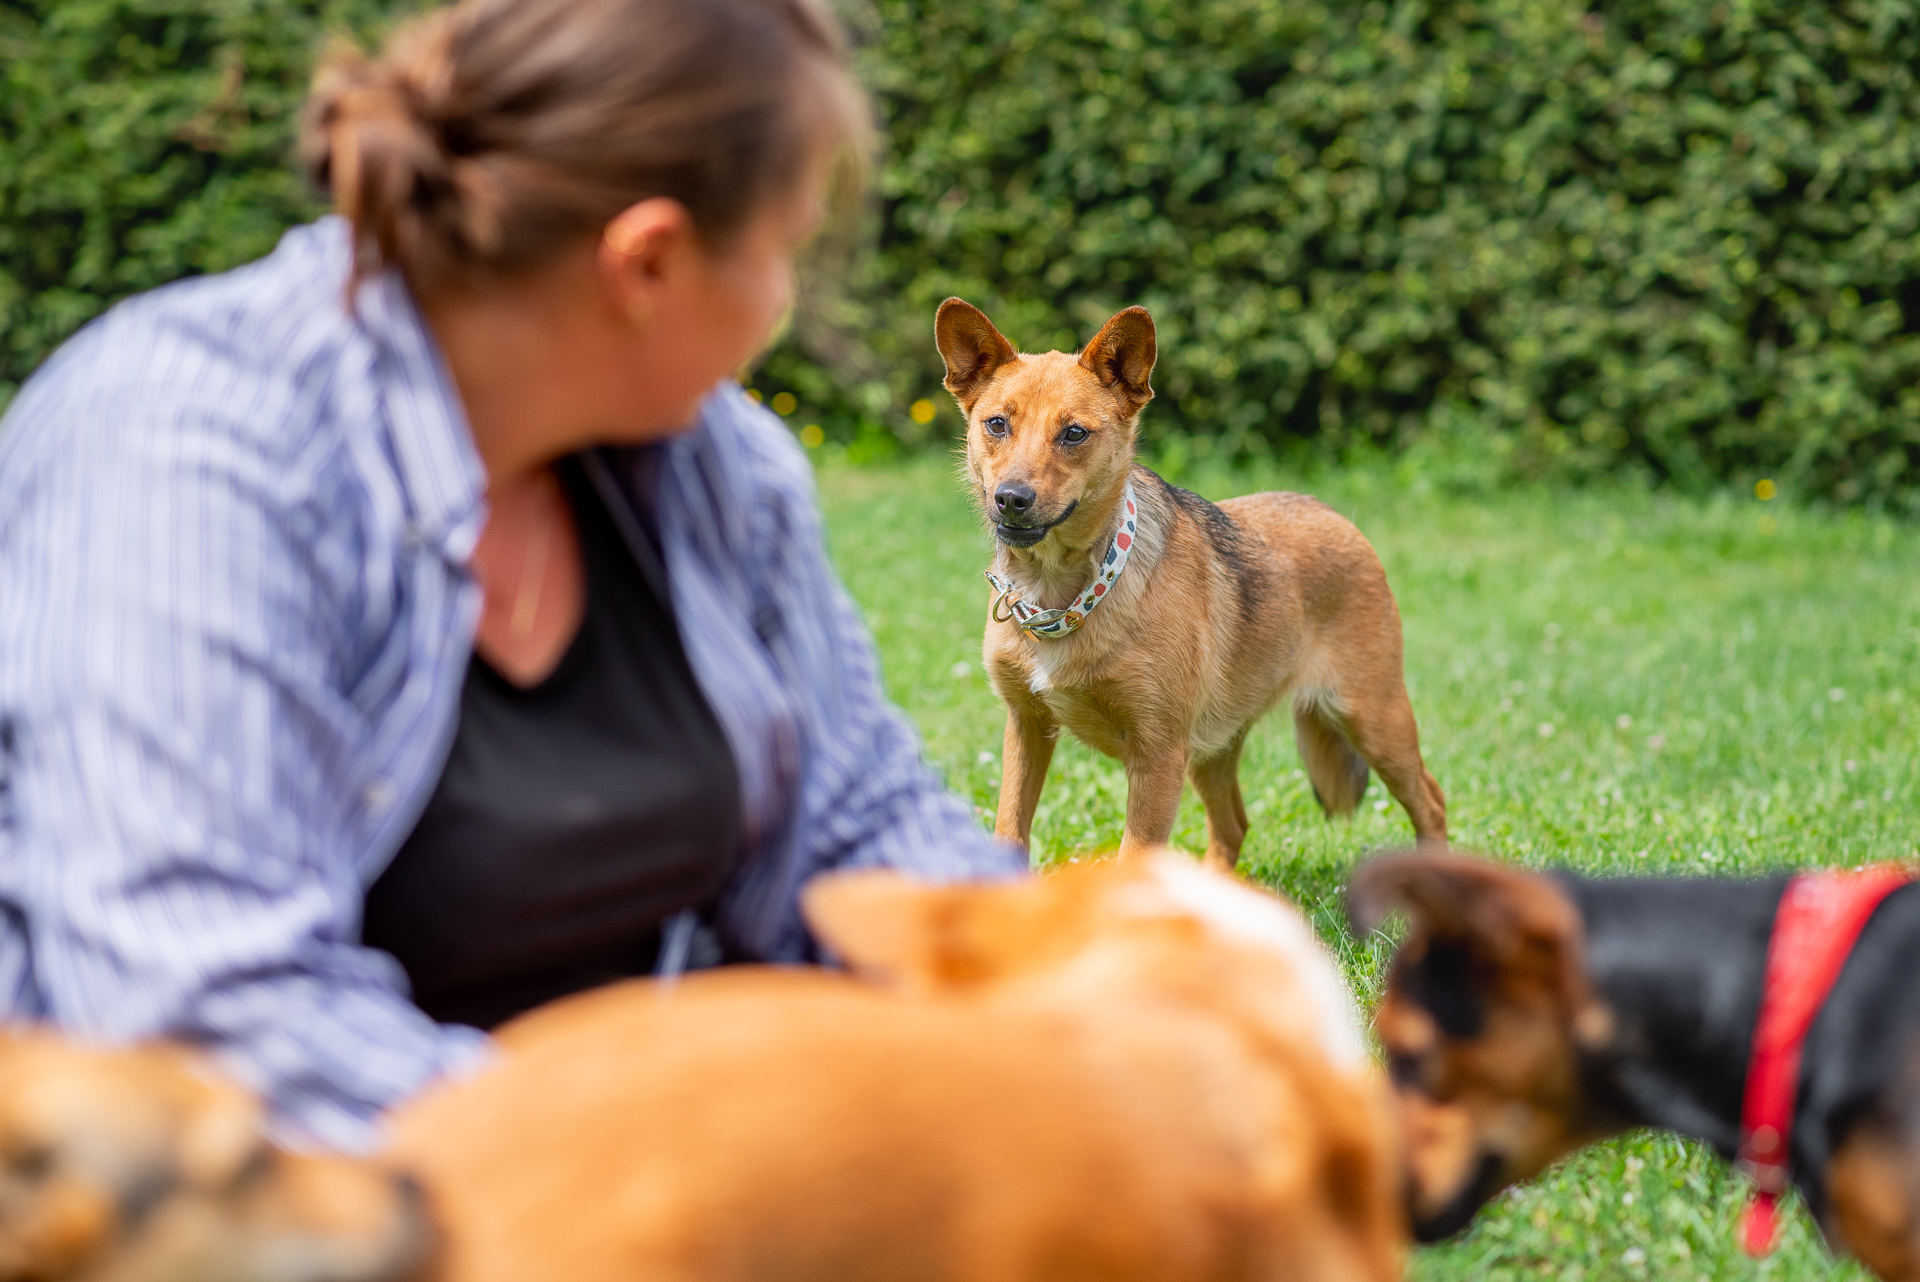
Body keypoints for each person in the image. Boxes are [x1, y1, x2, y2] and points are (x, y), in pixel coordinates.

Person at [0, 0, 1022, 1149]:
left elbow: (857, 823)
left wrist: (1073, 987)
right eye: (784, 248)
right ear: (647, 261)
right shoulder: (186, 449)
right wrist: (672, 1170)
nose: (786, 304)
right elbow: (206, 1016)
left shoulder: (720, 469)